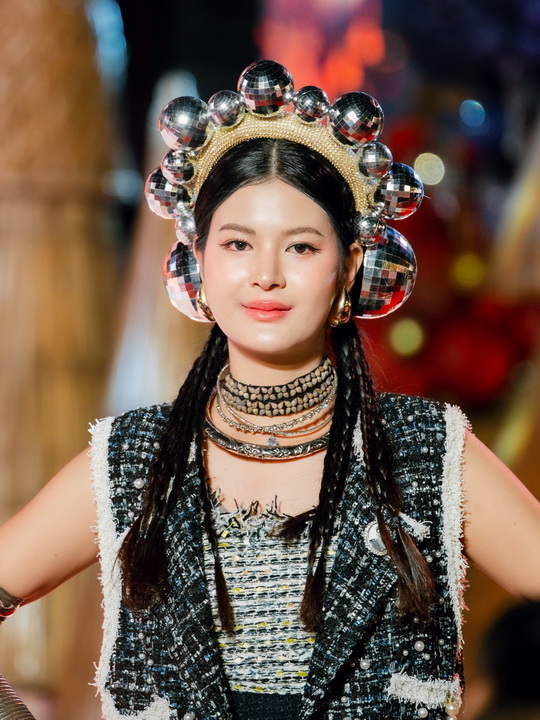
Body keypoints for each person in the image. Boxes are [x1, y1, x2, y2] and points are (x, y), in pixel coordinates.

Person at [1, 60, 540, 720]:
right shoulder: (136, 457)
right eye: (237, 244)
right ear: (199, 259)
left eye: (301, 248)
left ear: (349, 266)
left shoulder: (423, 451)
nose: (265, 275)